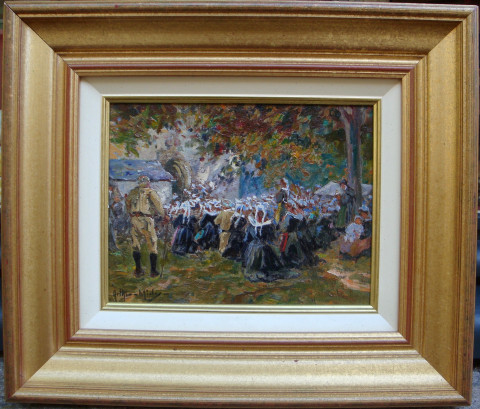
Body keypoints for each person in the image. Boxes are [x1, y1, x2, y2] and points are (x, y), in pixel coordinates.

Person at [126, 175, 167, 277]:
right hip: (146, 220)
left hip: (135, 219)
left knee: (136, 244)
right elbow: (158, 205)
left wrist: (131, 213)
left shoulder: (133, 192)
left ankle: (138, 270)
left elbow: (127, 203)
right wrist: (164, 215)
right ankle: (153, 271)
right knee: (152, 243)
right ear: (147, 182)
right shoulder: (150, 192)